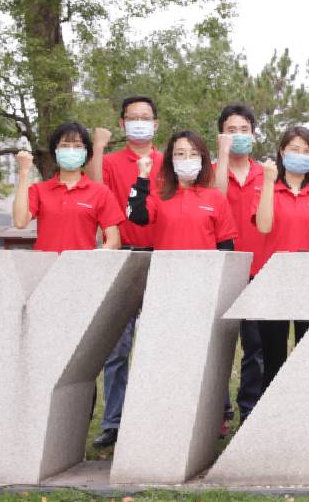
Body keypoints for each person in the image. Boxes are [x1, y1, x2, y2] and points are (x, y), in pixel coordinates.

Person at [86, 95, 162, 449]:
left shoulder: (170, 161)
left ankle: (153, 419)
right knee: (118, 347)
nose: (140, 123)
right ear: (122, 124)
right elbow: (95, 190)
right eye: (133, 117)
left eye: (146, 117)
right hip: (122, 255)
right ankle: (113, 421)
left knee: (159, 345)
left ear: (156, 124)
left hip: (162, 257)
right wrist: (98, 148)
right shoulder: (110, 162)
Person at [252, 127, 309, 397]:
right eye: (294, 149)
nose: (300, 155)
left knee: (308, 357)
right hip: (273, 283)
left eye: (307, 151)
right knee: (273, 357)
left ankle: (307, 411)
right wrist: (269, 183)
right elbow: (264, 226)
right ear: (282, 153)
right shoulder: (266, 189)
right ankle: (270, 414)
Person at [212, 105, 266, 427]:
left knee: (255, 346)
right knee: (218, 344)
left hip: (258, 267)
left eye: (244, 130)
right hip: (222, 267)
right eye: (231, 130)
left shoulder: (265, 174)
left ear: (254, 134)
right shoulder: (211, 171)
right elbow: (217, 198)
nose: (238, 136)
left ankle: (249, 407)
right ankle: (217, 411)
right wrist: (222, 154)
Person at [13, 122, 124, 252]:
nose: (71, 150)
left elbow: (114, 240)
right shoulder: (39, 190)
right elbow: (20, 222)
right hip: (44, 263)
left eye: (77, 146)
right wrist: (24, 172)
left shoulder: (101, 192)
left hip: (82, 263)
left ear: (86, 152)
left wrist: (97, 256)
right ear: (55, 151)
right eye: (64, 145)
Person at [126, 130, 238, 250]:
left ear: (202, 159)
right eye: (180, 154)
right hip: (166, 262)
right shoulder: (159, 196)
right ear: (171, 160)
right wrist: (142, 176)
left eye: (194, 154)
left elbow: (226, 244)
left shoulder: (216, 197)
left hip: (205, 262)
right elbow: (136, 216)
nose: (187, 159)